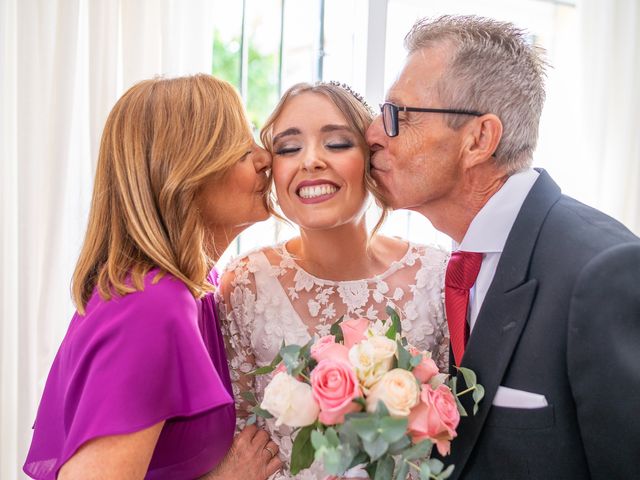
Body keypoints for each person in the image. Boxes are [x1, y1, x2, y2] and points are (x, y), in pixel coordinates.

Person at [365, 14, 640, 480]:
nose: (373, 132)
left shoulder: (601, 270)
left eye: (399, 115)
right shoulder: (451, 267)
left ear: (479, 139)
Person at [23, 74, 283, 480]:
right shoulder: (151, 304)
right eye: (238, 148)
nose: (264, 157)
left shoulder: (192, 286)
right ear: (185, 173)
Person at [218, 81, 450, 479]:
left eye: (337, 144)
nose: (310, 161)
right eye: (289, 148)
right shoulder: (245, 284)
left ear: (372, 157)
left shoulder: (436, 277)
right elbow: (241, 439)